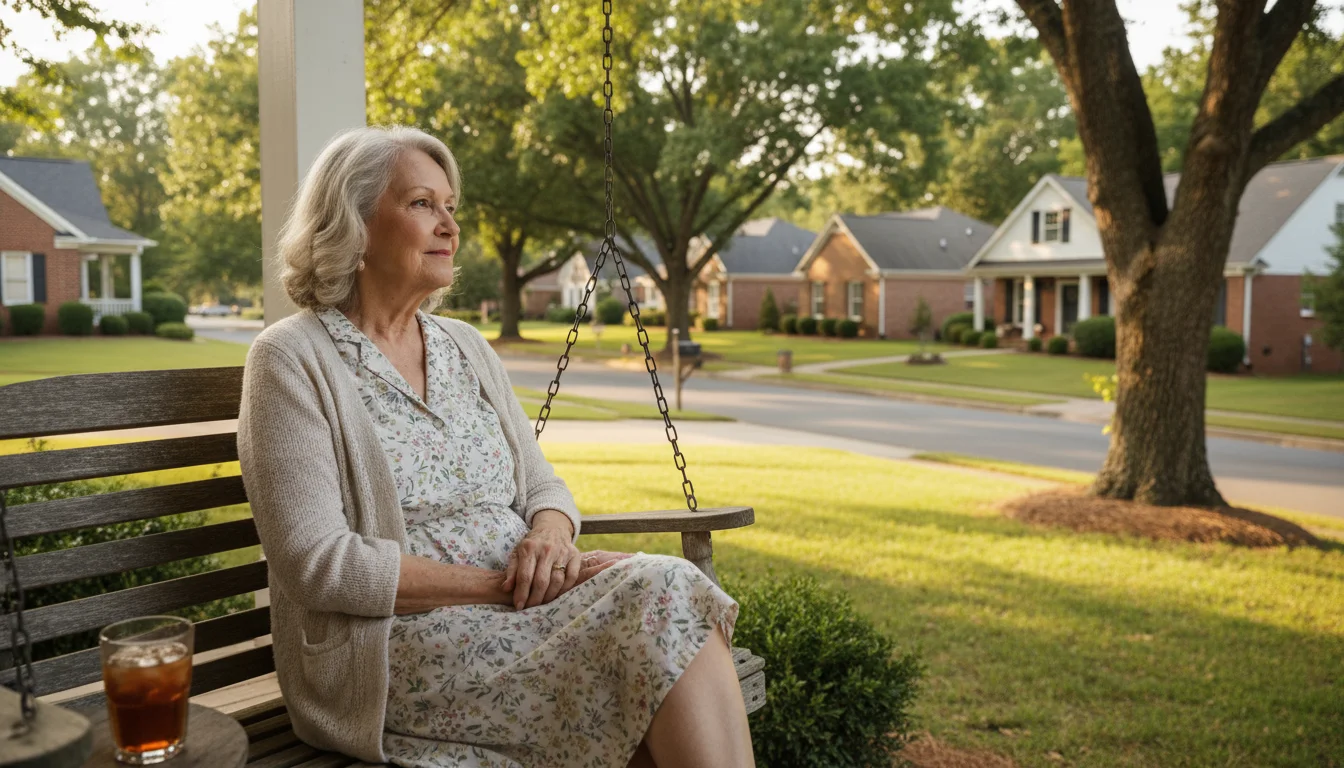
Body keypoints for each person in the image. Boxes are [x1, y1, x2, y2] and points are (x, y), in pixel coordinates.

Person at [236, 125, 754, 768]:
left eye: (451, 207)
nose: (449, 225)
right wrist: (501, 587)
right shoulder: (291, 359)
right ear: (353, 226)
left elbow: (544, 487)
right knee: (664, 614)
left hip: (525, 614)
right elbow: (319, 562)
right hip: (395, 650)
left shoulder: (465, 347)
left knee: (666, 603)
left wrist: (551, 539)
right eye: (422, 204)